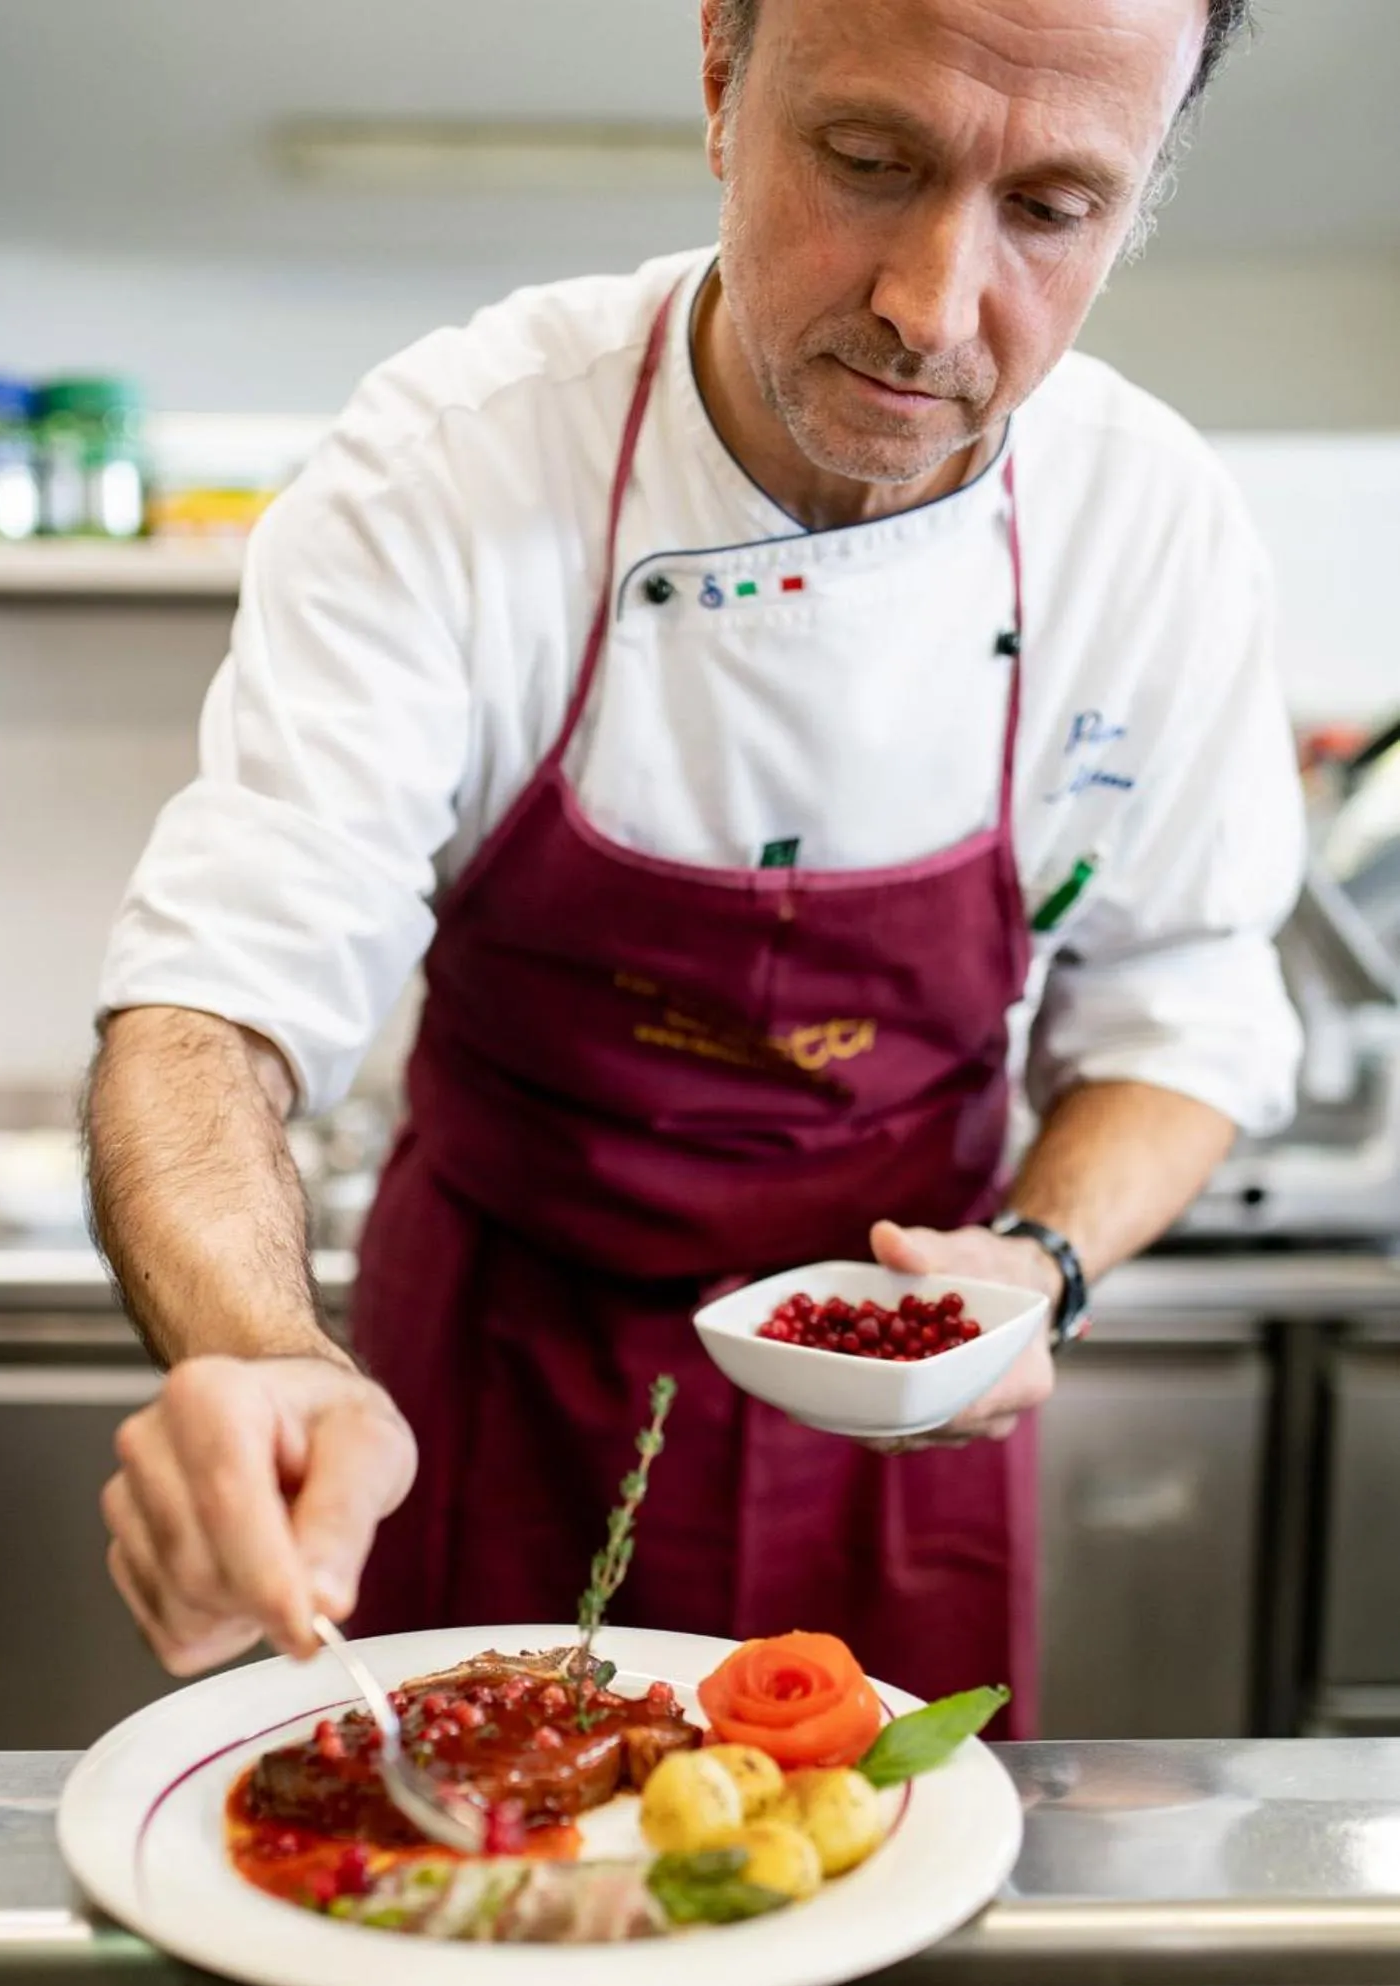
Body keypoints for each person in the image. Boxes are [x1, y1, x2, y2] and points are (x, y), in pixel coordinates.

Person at [87, 0, 1304, 1733]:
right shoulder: (461, 464)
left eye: (1049, 210)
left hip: (899, 1414)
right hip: (492, 1381)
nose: (930, 307)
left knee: (879, 1920)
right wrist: (263, 1354)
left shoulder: (1147, 529)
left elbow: (1183, 1010)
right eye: (871, 164)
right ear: (722, 79)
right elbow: (210, 1001)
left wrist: (1036, 1259)